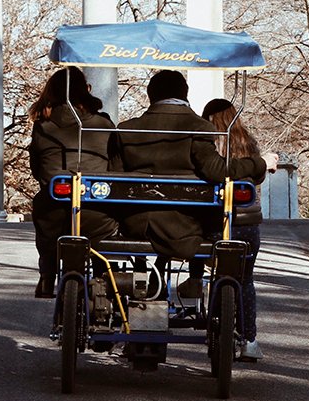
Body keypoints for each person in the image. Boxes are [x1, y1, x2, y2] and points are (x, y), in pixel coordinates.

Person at [114, 70, 273, 262]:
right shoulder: (199, 127)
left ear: (150, 94)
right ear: (185, 92)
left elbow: (115, 174)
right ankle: (195, 280)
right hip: (182, 228)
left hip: (134, 223)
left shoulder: (125, 130)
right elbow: (217, 170)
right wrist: (260, 163)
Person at [189, 98, 272, 361]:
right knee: (245, 279)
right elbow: (258, 176)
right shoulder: (247, 140)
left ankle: (194, 280)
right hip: (245, 223)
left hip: (211, 223)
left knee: (199, 248)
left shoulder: (204, 142)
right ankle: (249, 340)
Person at [28, 67, 120, 298]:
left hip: (55, 212)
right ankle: (104, 275)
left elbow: (36, 169)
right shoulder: (104, 125)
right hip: (97, 211)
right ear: (85, 91)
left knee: (44, 210)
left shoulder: (42, 127)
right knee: (104, 231)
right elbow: (117, 166)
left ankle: (47, 276)